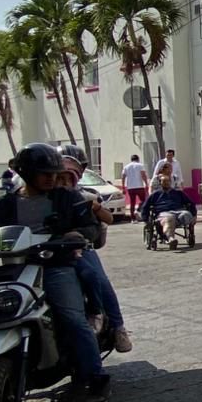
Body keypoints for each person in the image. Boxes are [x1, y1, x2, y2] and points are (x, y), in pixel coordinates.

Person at [0, 143, 111, 402]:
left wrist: (78, 234)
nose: (51, 178)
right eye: (44, 173)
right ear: (26, 173)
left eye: (53, 173)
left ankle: (96, 379)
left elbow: (89, 226)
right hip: (11, 270)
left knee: (73, 319)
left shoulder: (67, 198)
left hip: (56, 266)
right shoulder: (4, 204)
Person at [56, 145, 133, 354]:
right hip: (48, 250)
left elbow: (107, 219)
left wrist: (95, 207)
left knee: (98, 279)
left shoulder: (85, 195)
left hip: (80, 247)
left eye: (71, 173)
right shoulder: (45, 196)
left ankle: (117, 326)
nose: (64, 181)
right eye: (60, 174)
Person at [140, 173, 198, 248]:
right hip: (164, 213)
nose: (166, 183)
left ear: (170, 182)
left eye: (167, 181)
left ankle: (172, 224)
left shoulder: (178, 193)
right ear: (160, 183)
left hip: (179, 212)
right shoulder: (155, 194)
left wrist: (194, 215)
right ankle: (171, 239)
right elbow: (145, 206)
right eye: (164, 181)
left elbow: (191, 203)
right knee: (170, 218)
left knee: (186, 214)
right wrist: (145, 219)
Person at [120, 154, 148, 221]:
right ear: (138, 159)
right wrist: (146, 184)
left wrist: (123, 187)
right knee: (144, 201)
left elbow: (123, 177)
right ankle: (142, 213)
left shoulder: (126, 167)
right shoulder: (140, 165)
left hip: (130, 187)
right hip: (139, 186)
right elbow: (143, 175)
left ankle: (133, 218)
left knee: (132, 202)